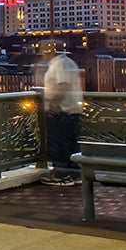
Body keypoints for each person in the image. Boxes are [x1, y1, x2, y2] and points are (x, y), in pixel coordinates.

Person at [41, 52, 83, 186]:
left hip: (62, 111)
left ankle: (62, 175)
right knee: (71, 144)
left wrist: (52, 104)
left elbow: (63, 86)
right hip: (73, 110)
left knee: (59, 144)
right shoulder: (70, 62)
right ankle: (75, 174)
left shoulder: (60, 63)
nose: (41, 52)